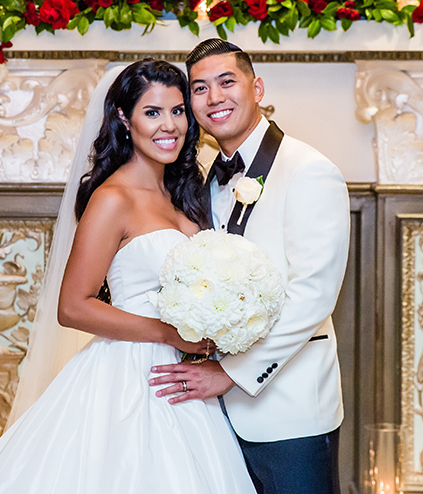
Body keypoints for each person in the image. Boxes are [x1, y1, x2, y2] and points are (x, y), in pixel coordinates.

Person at [0, 59, 257, 494]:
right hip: (130, 374)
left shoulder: (184, 193)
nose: (168, 125)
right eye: (152, 112)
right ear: (123, 118)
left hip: (187, 376)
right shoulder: (111, 198)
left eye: (177, 110)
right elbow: (73, 306)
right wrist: (168, 334)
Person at [149, 39, 351, 494]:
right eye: (199, 89)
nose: (214, 97)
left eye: (227, 82)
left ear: (256, 87)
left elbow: (314, 295)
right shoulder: (203, 181)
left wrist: (229, 374)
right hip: (209, 417)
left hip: (289, 411)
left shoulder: (309, 170)